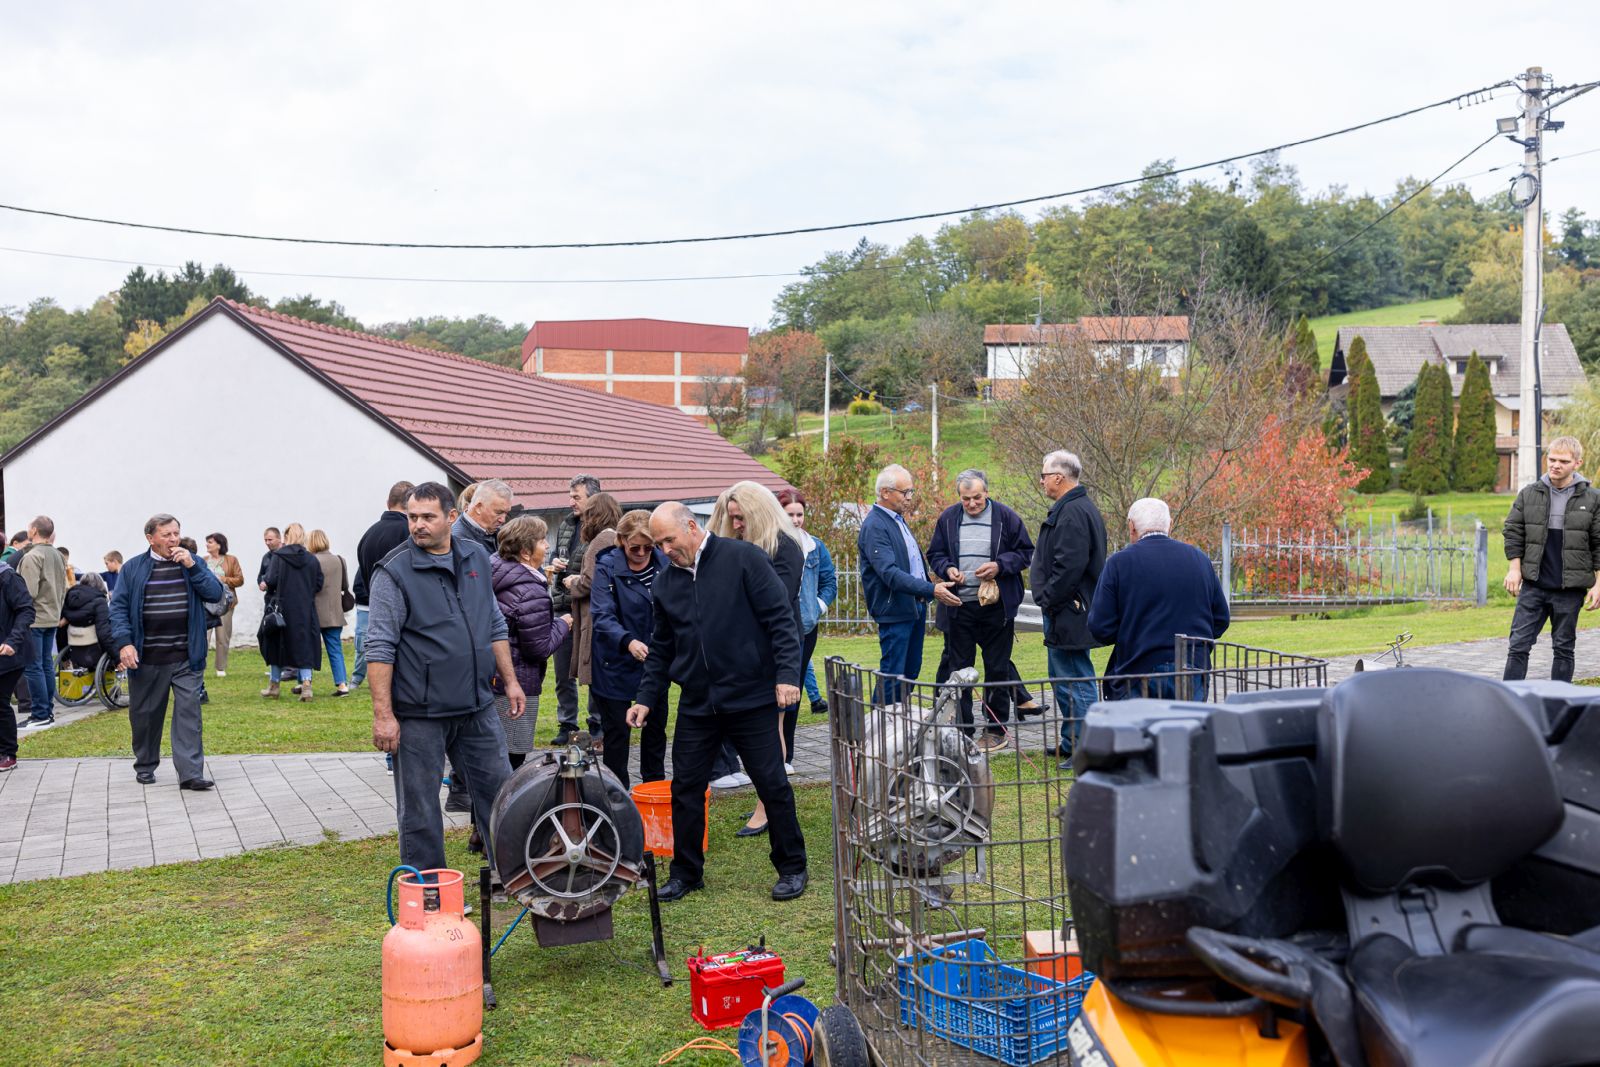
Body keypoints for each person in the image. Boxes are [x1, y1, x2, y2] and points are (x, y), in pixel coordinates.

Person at [626, 503, 808, 902]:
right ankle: (686, 873)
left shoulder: (743, 558)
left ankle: (792, 866)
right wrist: (645, 699)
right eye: (659, 545)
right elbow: (661, 647)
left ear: (691, 527)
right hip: (698, 703)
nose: (665, 550)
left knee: (772, 782)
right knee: (685, 788)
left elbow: (780, 619)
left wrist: (786, 677)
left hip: (750, 697)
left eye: (669, 540)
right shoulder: (666, 582)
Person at [366, 482, 525, 873]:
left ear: (451, 517)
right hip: (421, 712)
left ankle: (513, 875)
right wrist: (383, 714)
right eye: (412, 517)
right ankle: (430, 888)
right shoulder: (393, 572)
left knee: (500, 792)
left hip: (476, 705)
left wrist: (511, 680)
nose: (417, 525)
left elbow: (493, 622)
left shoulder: (475, 556)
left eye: (427, 517)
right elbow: (380, 647)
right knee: (420, 807)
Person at [709, 482, 806, 836]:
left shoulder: (785, 546)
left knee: (771, 727)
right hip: (744, 653)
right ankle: (766, 799)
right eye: (731, 518)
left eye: (741, 518)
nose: (735, 525)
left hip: (776, 651)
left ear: (758, 514)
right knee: (758, 729)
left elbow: (774, 603)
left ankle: (767, 807)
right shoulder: (743, 545)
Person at [110, 514, 225, 788]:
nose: (173, 539)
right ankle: (146, 764)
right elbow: (118, 609)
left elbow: (213, 593)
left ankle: (190, 774)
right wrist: (125, 643)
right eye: (167, 535)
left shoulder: (193, 562)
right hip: (148, 656)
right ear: (151, 538)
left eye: (176, 533)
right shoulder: (133, 568)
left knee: (189, 714)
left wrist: (192, 566)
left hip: (186, 655)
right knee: (146, 716)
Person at [926, 469, 1036, 751]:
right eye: (966, 499)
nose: (972, 504)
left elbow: (1026, 552)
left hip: (995, 608)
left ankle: (995, 730)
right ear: (959, 497)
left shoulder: (1006, 517)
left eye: (977, 497)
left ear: (986, 492)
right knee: (959, 672)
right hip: (959, 606)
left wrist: (1000, 565)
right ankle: (962, 731)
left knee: (997, 668)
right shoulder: (949, 518)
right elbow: (935, 554)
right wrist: (947, 568)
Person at [1089, 498, 1230, 701]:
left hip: (1137, 667)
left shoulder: (1119, 564)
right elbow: (1221, 620)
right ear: (1170, 525)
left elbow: (1100, 627)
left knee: (1141, 732)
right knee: (1188, 730)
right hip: (1191, 666)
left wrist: (1131, 631)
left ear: (1132, 527)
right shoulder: (1200, 560)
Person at [858, 465, 961, 703]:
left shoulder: (896, 520)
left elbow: (912, 563)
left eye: (911, 492)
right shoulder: (876, 525)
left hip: (913, 606)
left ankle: (899, 723)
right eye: (905, 492)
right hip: (895, 610)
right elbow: (890, 574)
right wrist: (931, 589)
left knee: (910, 672)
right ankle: (880, 731)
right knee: (893, 674)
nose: (909, 498)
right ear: (885, 492)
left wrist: (930, 586)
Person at [1503, 436, 1600, 683]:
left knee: (1564, 649)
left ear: (1577, 463)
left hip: (1570, 590)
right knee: (1518, 647)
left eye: (1563, 461)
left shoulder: (1593, 499)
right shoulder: (1529, 494)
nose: (1555, 465)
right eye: (1552, 459)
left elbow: (1598, 543)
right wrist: (1515, 568)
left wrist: (1598, 584)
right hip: (1534, 587)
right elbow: (1513, 530)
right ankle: (1509, 703)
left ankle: (1560, 705)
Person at [1030, 450, 1106, 764]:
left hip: (1069, 610)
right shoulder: (1074, 508)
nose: (1042, 480)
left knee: (1075, 679)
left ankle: (1087, 749)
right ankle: (1071, 741)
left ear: (1059, 478)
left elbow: (1069, 567)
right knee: (1064, 677)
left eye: (1045, 474)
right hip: (1068, 608)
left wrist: (1047, 598)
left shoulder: (1073, 512)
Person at [590, 509, 668, 788]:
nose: (643, 552)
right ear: (621, 541)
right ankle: (617, 795)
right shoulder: (607, 567)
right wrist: (627, 641)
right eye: (636, 547)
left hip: (653, 661)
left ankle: (654, 789)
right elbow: (602, 615)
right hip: (615, 663)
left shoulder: (664, 563)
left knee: (656, 731)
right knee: (617, 736)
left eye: (649, 546)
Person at [491, 515, 571, 770]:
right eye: (541, 541)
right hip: (517, 683)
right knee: (513, 758)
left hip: (490, 678)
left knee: (493, 754)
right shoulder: (530, 590)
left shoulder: (493, 568)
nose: (547, 546)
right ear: (525, 552)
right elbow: (538, 648)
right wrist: (563, 624)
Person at [566, 492, 623, 743]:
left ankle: (603, 737)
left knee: (602, 689)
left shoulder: (602, 539)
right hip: (598, 617)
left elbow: (590, 581)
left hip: (594, 618)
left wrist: (571, 581)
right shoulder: (612, 537)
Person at [550, 474, 601, 745]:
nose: (571, 502)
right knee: (562, 672)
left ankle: (597, 724)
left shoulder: (603, 529)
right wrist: (556, 562)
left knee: (592, 668)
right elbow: (557, 556)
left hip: (588, 609)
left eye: (576, 497)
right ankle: (566, 724)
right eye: (570, 496)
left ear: (593, 497)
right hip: (563, 607)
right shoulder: (566, 524)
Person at [779, 490, 836, 718]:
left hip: (806, 629)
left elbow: (829, 581)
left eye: (799, 514)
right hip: (780, 628)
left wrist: (817, 607)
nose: (795, 520)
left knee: (795, 688)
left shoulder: (815, 546)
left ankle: (787, 749)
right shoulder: (769, 544)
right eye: (790, 514)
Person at [353, 481, 413, 691]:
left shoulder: (368, 535)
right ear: (411, 504)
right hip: (410, 620)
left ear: (388, 502)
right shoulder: (411, 533)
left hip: (377, 612)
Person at [260, 523, 323, 701]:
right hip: (305, 609)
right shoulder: (312, 559)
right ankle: (306, 686)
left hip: (282, 608)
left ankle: (274, 685)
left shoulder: (279, 557)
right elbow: (318, 584)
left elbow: (271, 580)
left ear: (287, 537)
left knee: (276, 646)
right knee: (305, 647)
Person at [17, 516, 67, 729]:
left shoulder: (33, 556)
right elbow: (63, 588)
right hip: (51, 616)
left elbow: (27, 592)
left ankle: (39, 714)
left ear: (35, 530)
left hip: (34, 618)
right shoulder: (57, 555)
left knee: (33, 667)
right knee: (45, 664)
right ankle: (46, 711)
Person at [0, 556, 35, 772]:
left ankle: (8, 753)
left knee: (0, 701)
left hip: (10, 649)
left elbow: (26, 610)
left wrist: (12, 640)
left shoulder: (8, 576)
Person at [308, 529, 351, 696]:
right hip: (334, 611)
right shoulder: (340, 560)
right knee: (335, 649)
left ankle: (305, 682)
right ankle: (342, 685)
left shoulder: (311, 561)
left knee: (308, 649)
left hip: (314, 612)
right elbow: (344, 586)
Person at [60, 571, 115, 674]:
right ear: (100, 584)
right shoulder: (100, 601)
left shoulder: (69, 598)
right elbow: (103, 633)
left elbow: (61, 631)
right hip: (95, 652)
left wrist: (64, 657)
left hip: (74, 651)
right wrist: (116, 656)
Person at [203, 534, 243, 677]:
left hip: (225, 603)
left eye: (210, 542)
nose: (207, 545)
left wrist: (223, 579)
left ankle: (220, 667)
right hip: (205, 604)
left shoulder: (231, 560)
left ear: (219, 545)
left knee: (223, 636)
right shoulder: (203, 560)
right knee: (204, 636)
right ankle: (201, 665)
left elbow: (239, 579)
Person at [452, 479, 515, 554]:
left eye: (506, 513)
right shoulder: (457, 541)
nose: (503, 520)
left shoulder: (497, 533)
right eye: (498, 512)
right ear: (478, 507)